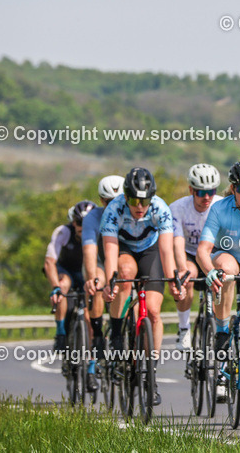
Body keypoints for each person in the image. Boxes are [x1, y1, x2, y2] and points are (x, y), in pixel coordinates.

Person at [101, 167, 182, 407]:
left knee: (155, 313)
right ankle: (117, 332)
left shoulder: (160, 208)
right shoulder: (113, 209)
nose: (139, 206)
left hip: (150, 250)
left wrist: (174, 280)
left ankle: (151, 373)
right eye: (135, 200)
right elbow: (110, 250)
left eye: (144, 200)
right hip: (124, 249)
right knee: (124, 275)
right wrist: (110, 281)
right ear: (125, 196)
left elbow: (167, 251)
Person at [196, 160, 240, 400]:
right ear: (232, 188)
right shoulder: (219, 209)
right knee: (226, 269)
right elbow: (203, 249)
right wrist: (209, 271)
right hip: (227, 257)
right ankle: (223, 335)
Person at [80, 175, 124, 390]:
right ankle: (97, 336)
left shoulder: (132, 213)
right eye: (108, 201)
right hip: (100, 261)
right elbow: (89, 251)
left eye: (118, 200)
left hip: (122, 260)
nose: (113, 206)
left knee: (128, 284)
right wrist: (92, 277)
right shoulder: (92, 218)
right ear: (101, 200)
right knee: (97, 283)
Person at [171, 163, 221, 350]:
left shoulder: (220, 204)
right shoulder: (177, 208)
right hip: (189, 253)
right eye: (201, 192)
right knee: (188, 276)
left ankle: (218, 326)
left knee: (221, 277)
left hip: (212, 253)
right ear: (191, 189)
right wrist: (182, 268)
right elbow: (176, 242)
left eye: (211, 191)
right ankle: (184, 328)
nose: (207, 197)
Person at [46, 199, 96, 388]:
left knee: (92, 317)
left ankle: (92, 366)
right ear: (72, 222)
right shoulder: (63, 232)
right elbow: (50, 261)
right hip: (65, 270)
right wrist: (55, 286)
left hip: (86, 273)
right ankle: (61, 333)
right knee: (63, 286)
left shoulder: (98, 233)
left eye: (86, 223)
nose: (82, 227)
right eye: (78, 223)